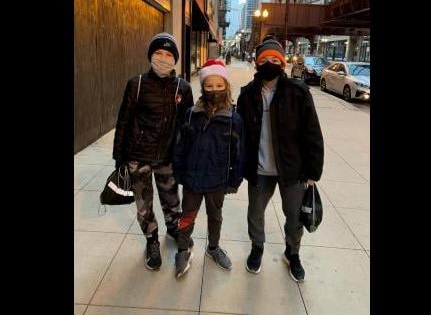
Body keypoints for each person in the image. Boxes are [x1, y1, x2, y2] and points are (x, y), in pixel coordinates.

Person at [236, 38, 324, 282]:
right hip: (259, 168)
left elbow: (312, 133)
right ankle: (257, 248)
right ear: (256, 64)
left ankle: (292, 253)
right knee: (255, 212)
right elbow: (238, 134)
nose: (270, 64)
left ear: (283, 63)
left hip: (292, 169)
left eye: (276, 60)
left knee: (294, 215)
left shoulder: (299, 92)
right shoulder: (246, 95)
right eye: (265, 60)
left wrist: (313, 171)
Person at [113, 32, 194, 271]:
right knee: (144, 205)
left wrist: (186, 158)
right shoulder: (136, 84)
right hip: (138, 158)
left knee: (172, 201)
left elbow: (187, 127)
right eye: (158, 53)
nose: (163, 58)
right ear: (150, 55)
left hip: (168, 158)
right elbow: (124, 122)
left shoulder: (183, 88)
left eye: (169, 54)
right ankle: (151, 240)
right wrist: (119, 158)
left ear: (175, 60)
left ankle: (173, 230)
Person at [172, 59, 245, 278]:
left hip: (217, 180)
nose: (214, 90)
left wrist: (235, 179)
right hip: (193, 179)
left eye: (219, 86)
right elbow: (180, 145)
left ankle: (213, 248)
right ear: (203, 87)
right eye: (209, 85)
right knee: (187, 215)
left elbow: (240, 152)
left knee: (215, 216)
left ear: (226, 86)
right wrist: (178, 170)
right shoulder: (191, 114)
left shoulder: (233, 119)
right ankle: (183, 250)